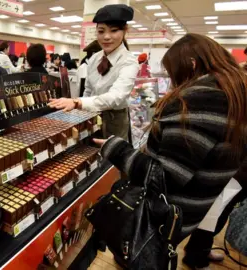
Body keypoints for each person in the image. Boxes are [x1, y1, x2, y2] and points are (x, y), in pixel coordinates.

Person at [94, 33, 247, 268]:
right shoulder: (235, 95)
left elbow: (163, 178)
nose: (173, 80)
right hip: (193, 207)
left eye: (173, 72)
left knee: (144, 253)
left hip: (166, 211)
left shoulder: (198, 101)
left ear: (192, 64)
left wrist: (114, 148)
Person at [48, 4, 139, 140]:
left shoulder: (129, 61)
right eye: (101, 31)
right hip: (91, 115)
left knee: (112, 157)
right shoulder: (95, 58)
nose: (106, 37)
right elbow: (88, 90)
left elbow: (116, 96)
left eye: (113, 31)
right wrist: (80, 112)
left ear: (125, 30)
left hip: (115, 121)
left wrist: (77, 102)